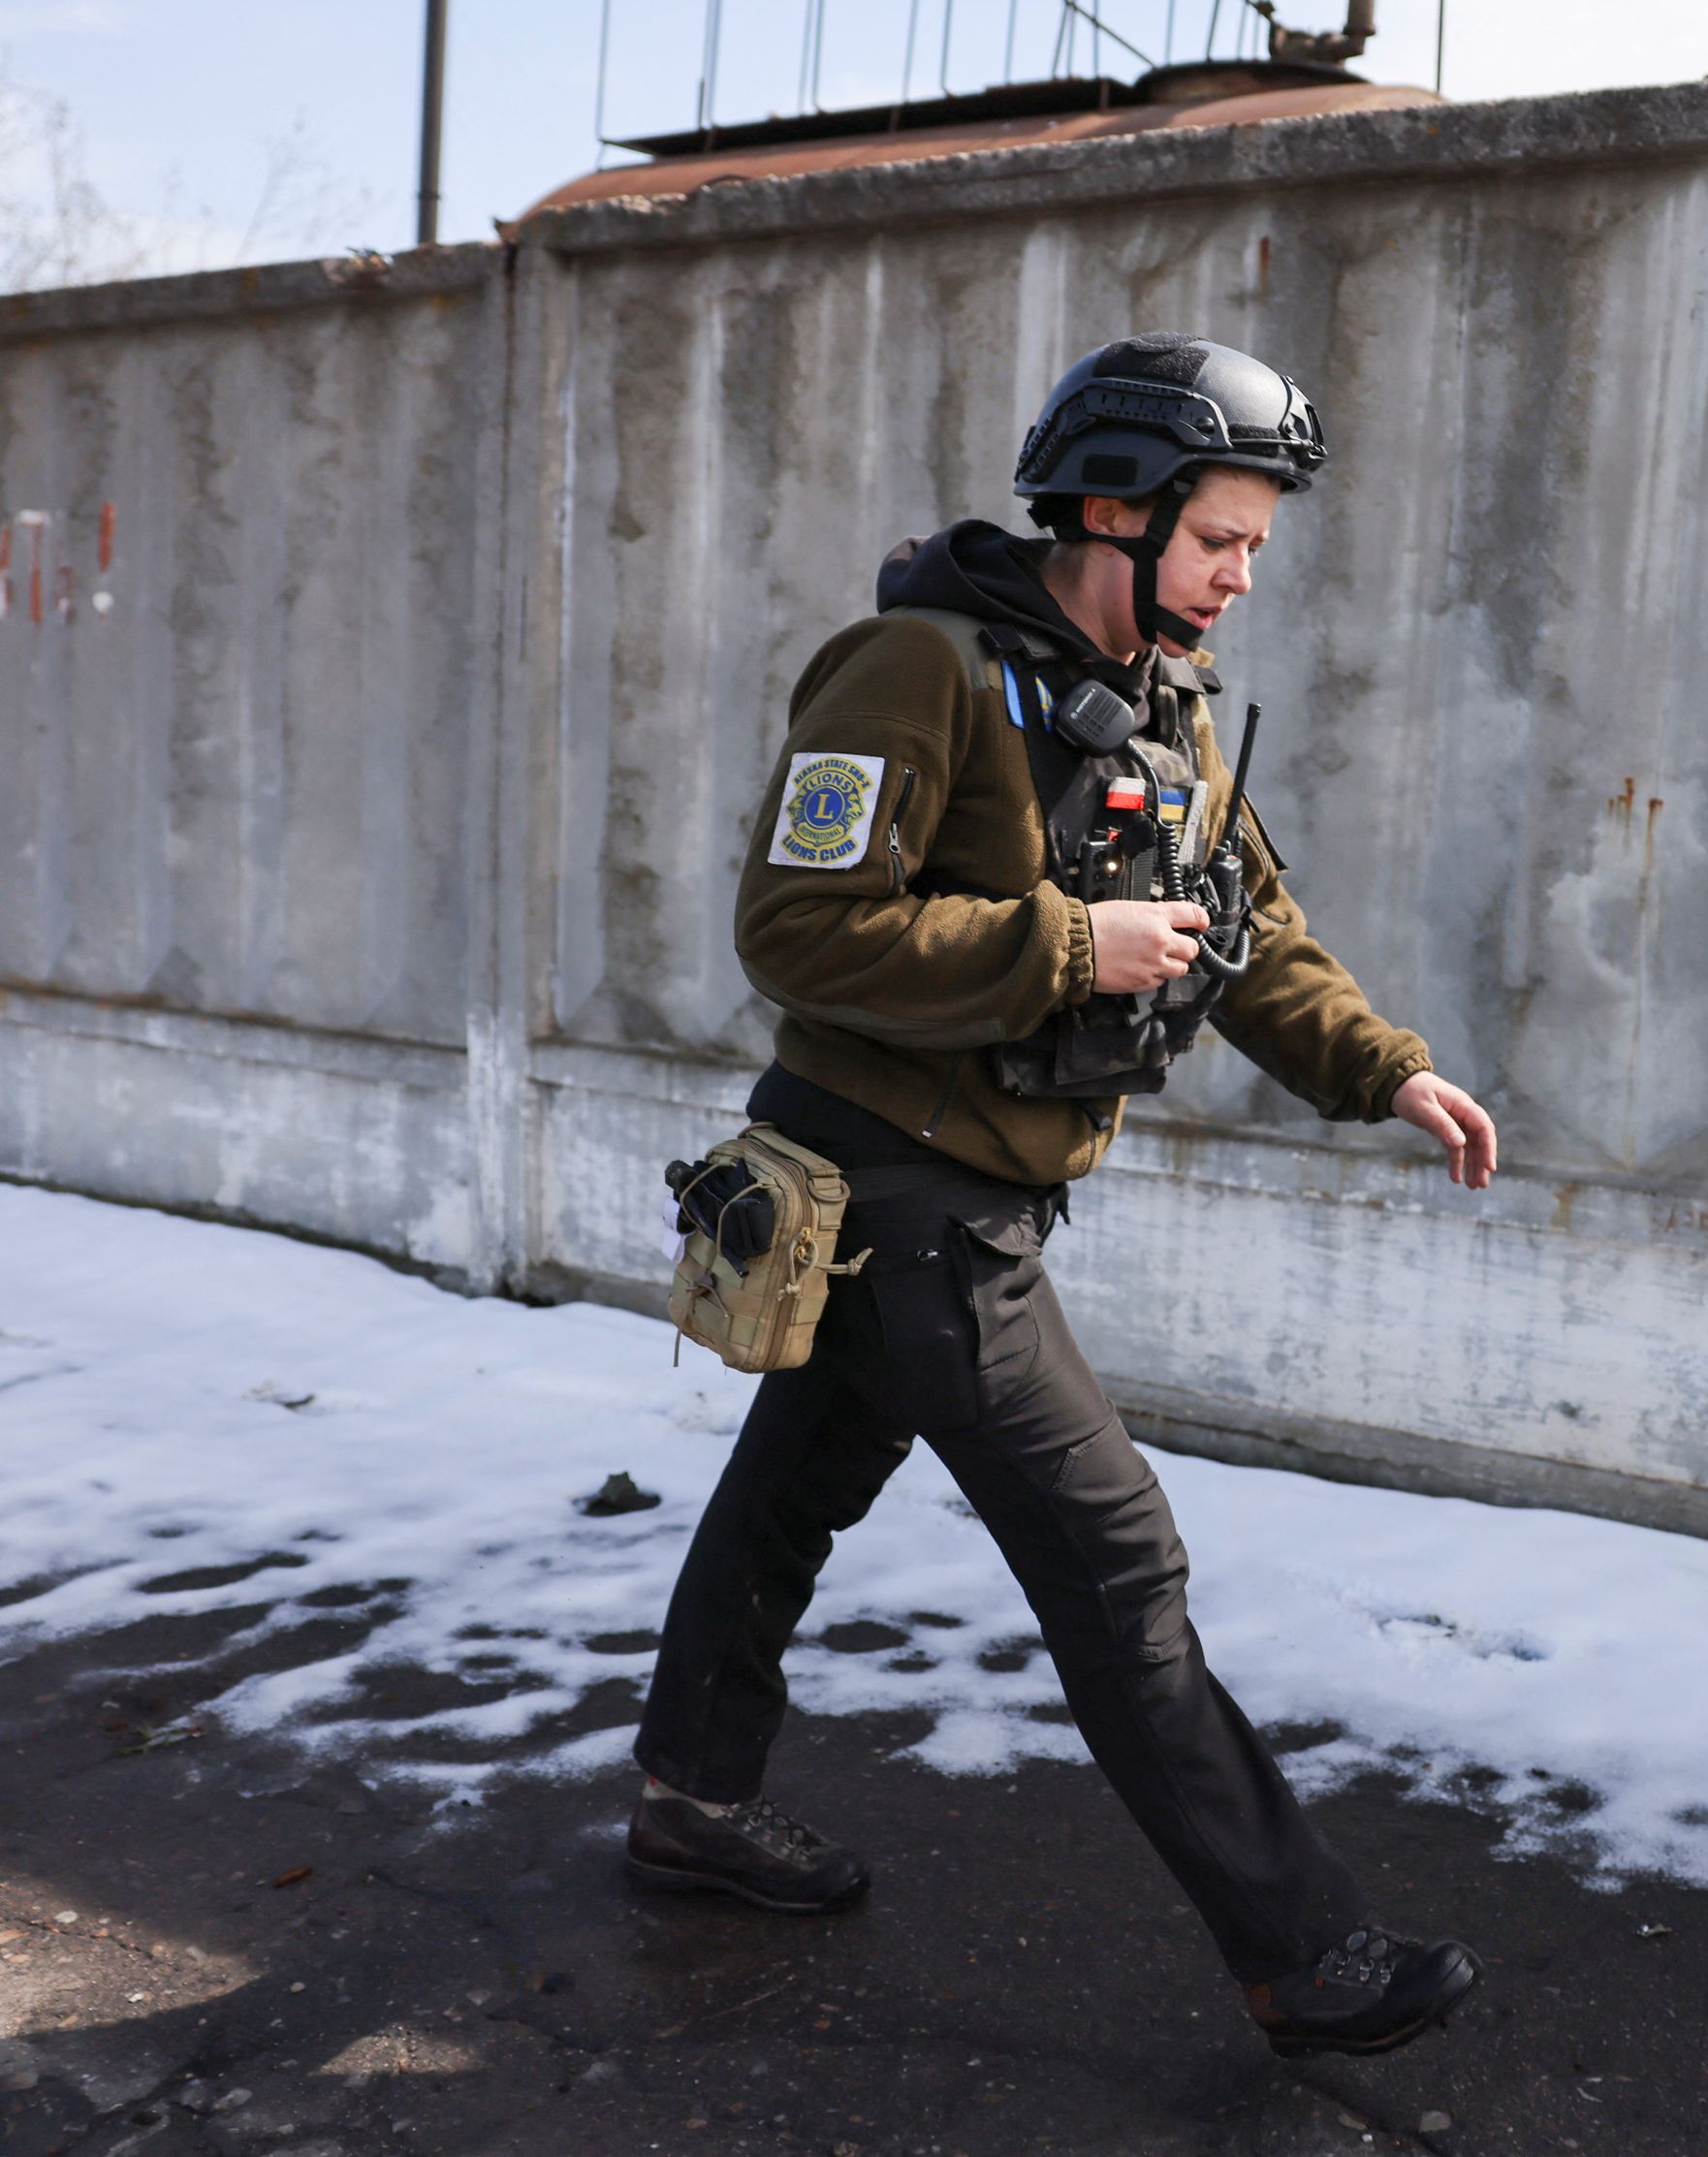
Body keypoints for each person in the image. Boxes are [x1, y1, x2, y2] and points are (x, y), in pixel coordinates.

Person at [625, 333, 1501, 2058]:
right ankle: (1300, 1953)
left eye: (1255, 544)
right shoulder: (916, 670)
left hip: (962, 1192)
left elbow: (1252, 938)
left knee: (785, 1501)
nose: (1244, 577)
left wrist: (1380, 1065)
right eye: (1221, 541)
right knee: (1117, 1562)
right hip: (895, 1193)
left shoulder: (1164, 706)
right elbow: (794, 928)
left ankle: (689, 1804)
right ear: (1115, 508)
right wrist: (1063, 944)